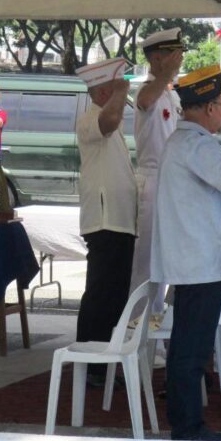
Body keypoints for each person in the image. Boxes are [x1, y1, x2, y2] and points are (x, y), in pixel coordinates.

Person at [151, 64, 221, 441]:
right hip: (200, 265)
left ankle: (187, 422)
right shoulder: (194, 144)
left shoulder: (190, 143)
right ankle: (187, 427)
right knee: (190, 352)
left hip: (201, 263)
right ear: (209, 107)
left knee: (190, 348)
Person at [74, 57, 137, 388]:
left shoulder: (109, 120)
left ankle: (104, 360)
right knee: (101, 293)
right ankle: (91, 361)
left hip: (121, 221)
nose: (121, 96)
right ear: (101, 92)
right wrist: (120, 91)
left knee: (114, 295)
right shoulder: (91, 119)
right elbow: (110, 119)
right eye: (113, 89)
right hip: (105, 221)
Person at [129, 27, 185, 314]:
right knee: (146, 265)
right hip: (151, 181)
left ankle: (153, 338)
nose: (179, 62)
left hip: (171, 183)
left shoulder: (169, 95)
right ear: (157, 58)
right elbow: (145, 101)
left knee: (163, 264)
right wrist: (165, 73)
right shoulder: (148, 89)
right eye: (174, 57)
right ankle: (135, 336)